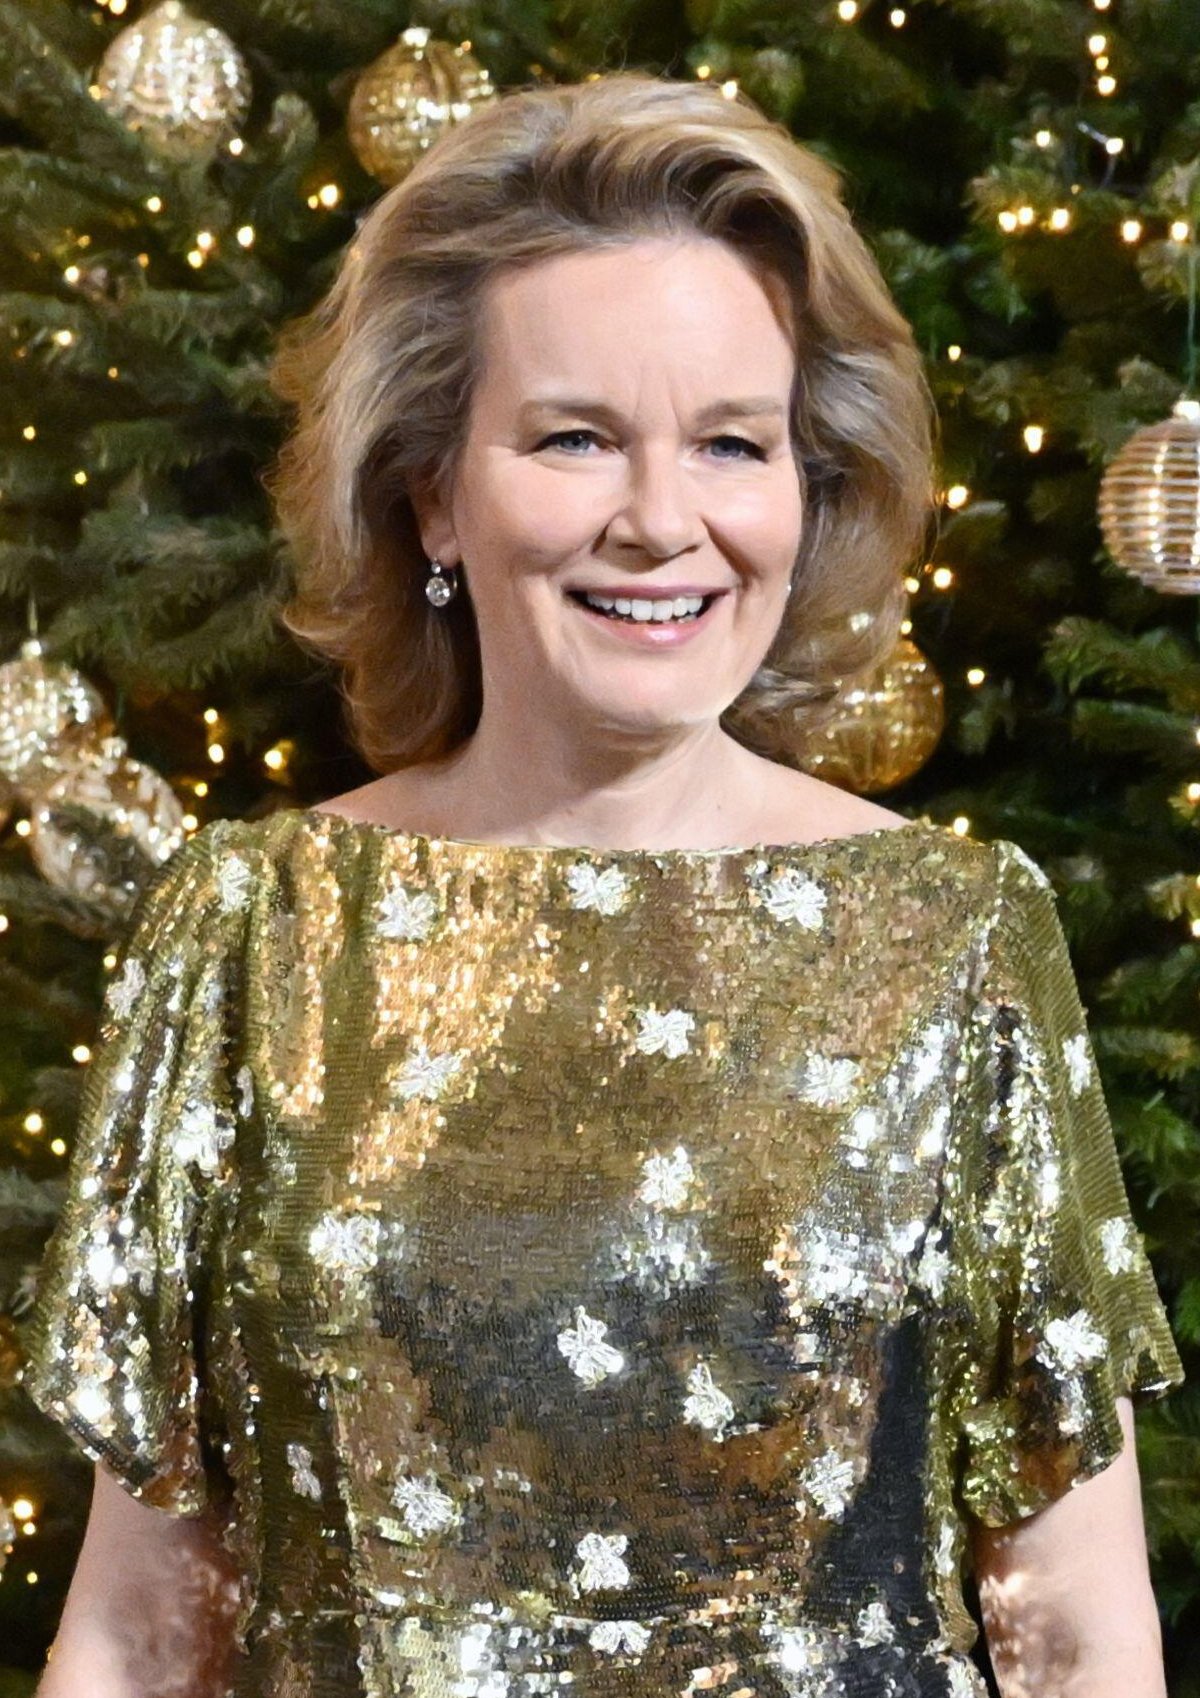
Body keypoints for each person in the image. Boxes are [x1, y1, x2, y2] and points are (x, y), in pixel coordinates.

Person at [22, 69, 1184, 1698]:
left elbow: (1072, 1620)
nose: (663, 522)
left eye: (731, 442)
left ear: (803, 487)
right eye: (575, 438)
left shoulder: (956, 934)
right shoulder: (247, 932)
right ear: (433, 486)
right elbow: (143, 1628)